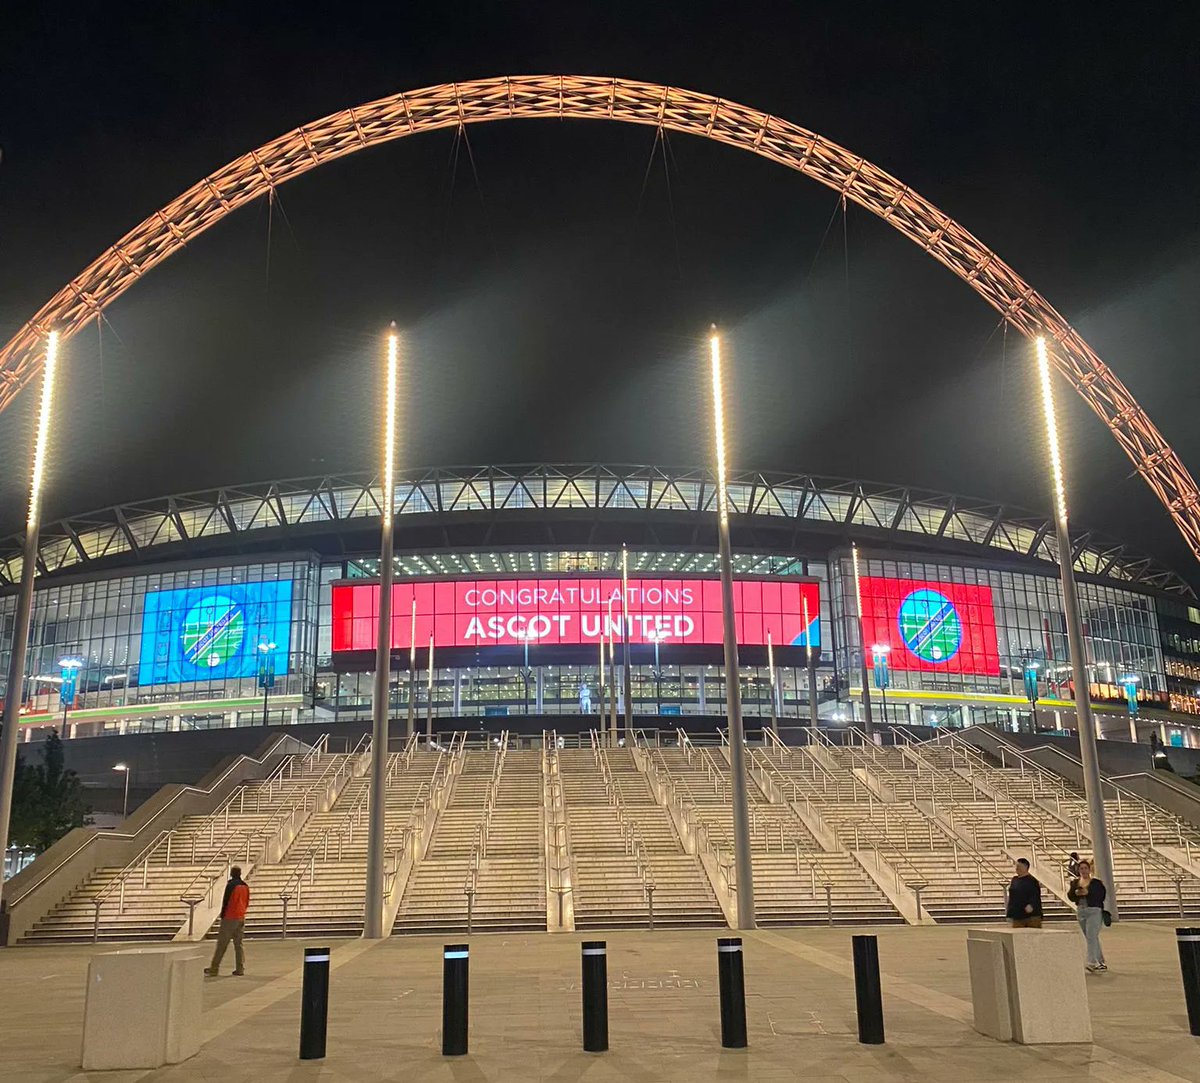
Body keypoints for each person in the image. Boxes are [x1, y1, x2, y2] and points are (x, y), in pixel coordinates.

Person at [205, 866, 250, 977]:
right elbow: (247, 901)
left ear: (231, 873)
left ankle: (214, 968)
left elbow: (226, 901)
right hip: (240, 917)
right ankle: (240, 968)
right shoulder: (245, 886)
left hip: (230, 917)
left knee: (222, 945)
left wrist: (223, 914)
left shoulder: (230, 885)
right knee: (238, 945)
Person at [1069, 858, 1108, 972]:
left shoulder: (1096, 883)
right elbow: (1070, 896)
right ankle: (1100, 960)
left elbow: (1101, 896)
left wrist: (1088, 893)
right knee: (1091, 937)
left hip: (1094, 911)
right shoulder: (1075, 882)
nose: (1084, 870)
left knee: (1091, 935)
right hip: (1081, 910)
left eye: (1085, 868)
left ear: (1089, 869)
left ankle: (1091, 961)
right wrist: (1076, 893)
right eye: (1081, 868)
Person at [1006, 857, 1043, 928]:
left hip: (1031, 916)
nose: (1017, 868)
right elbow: (1012, 897)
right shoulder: (1014, 880)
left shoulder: (1032, 881)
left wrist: (1031, 905)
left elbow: (1035, 895)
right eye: (1016, 866)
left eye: (1019, 866)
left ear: (1026, 867)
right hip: (1017, 915)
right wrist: (1010, 912)